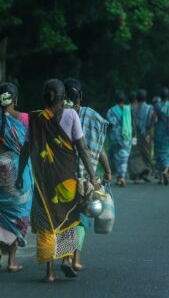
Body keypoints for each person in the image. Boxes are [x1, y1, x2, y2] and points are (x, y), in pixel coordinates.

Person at [16, 79, 99, 283]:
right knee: (67, 219)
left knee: (47, 223)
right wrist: (93, 176)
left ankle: (50, 272)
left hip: (44, 182)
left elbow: (26, 149)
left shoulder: (36, 119)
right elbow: (82, 149)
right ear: (63, 97)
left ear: (44, 96)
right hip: (67, 179)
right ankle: (65, 260)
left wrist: (19, 175)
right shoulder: (72, 115)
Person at [64, 78, 112, 271]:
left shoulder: (55, 116)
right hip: (86, 177)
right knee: (82, 219)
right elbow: (99, 149)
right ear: (81, 96)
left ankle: (65, 258)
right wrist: (106, 171)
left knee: (65, 218)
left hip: (61, 177)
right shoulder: (93, 117)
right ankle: (75, 258)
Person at [0, 83, 33, 272]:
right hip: (15, 170)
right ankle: (12, 261)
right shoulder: (25, 119)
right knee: (16, 214)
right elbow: (28, 147)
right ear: (16, 99)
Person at [107, 91, 134, 186]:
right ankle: (121, 176)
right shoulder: (128, 109)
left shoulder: (111, 110)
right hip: (126, 136)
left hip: (115, 137)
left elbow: (109, 124)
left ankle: (119, 177)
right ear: (124, 100)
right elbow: (132, 122)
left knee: (117, 157)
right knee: (124, 158)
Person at [128, 89, 156, 183]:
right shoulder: (149, 108)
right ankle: (146, 173)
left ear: (137, 98)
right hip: (146, 135)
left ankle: (136, 176)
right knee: (146, 154)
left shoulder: (130, 107)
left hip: (133, 135)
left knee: (135, 155)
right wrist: (148, 132)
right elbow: (153, 120)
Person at [153, 87, 169, 185]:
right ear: (168, 95)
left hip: (159, 131)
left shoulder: (156, 105)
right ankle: (166, 171)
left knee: (159, 153)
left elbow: (154, 119)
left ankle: (160, 179)